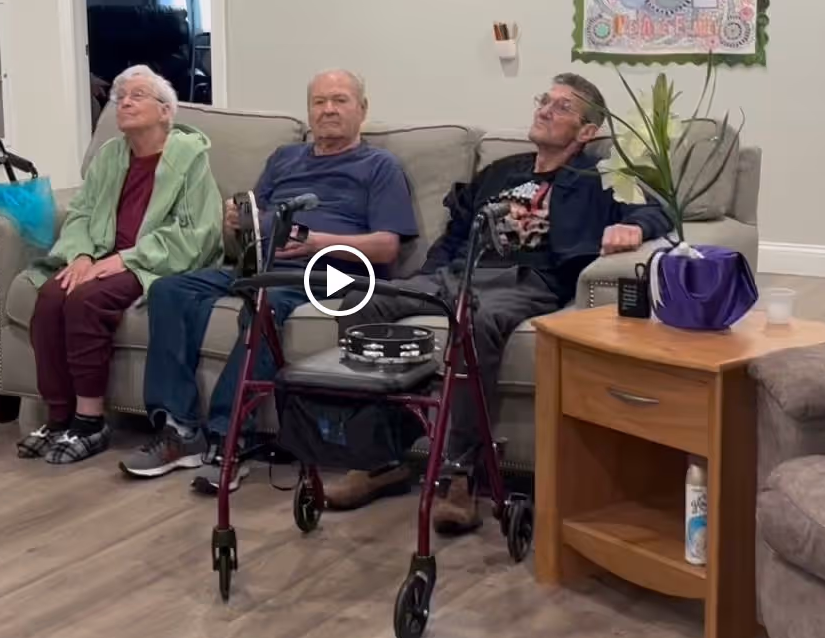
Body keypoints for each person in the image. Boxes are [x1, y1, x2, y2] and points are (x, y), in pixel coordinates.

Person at [346, 72, 670, 527]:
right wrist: (427, 276)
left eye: (562, 107)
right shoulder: (501, 171)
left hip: (527, 281)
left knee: (473, 321)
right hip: (458, 274)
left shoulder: (600, 175)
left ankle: (460, 475)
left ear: (587, 131)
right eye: (545, 100)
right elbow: (454, 234)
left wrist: (634, 226)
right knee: (362, 301)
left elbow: (659, 210)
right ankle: (380, 459)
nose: (545, 110)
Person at [122, 69, 419, 491]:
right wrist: (234, 223)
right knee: (170, 290)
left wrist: (317, 242)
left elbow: (387, 248)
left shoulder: (379, 166)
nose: (328, 110)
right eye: (319, 102)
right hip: (262, 265)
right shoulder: (285, 158)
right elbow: (249, 223)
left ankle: (230, 439)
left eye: (339, 100)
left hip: (337, 273)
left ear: (362, 109)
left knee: (266, 303)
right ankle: (179, 429)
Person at [15, 66, 223, 466]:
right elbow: (81, 212)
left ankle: (90, 422)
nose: (124, 102)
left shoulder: (190, 158)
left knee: (86, 301)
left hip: (154, 261)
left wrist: (124, 259)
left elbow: (197, 232)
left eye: (137, 95)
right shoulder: (110, 155)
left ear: (165, 111)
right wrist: (80, 255)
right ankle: (58, 418)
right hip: (101, 255)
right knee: (52, 296)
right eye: (120, 96)